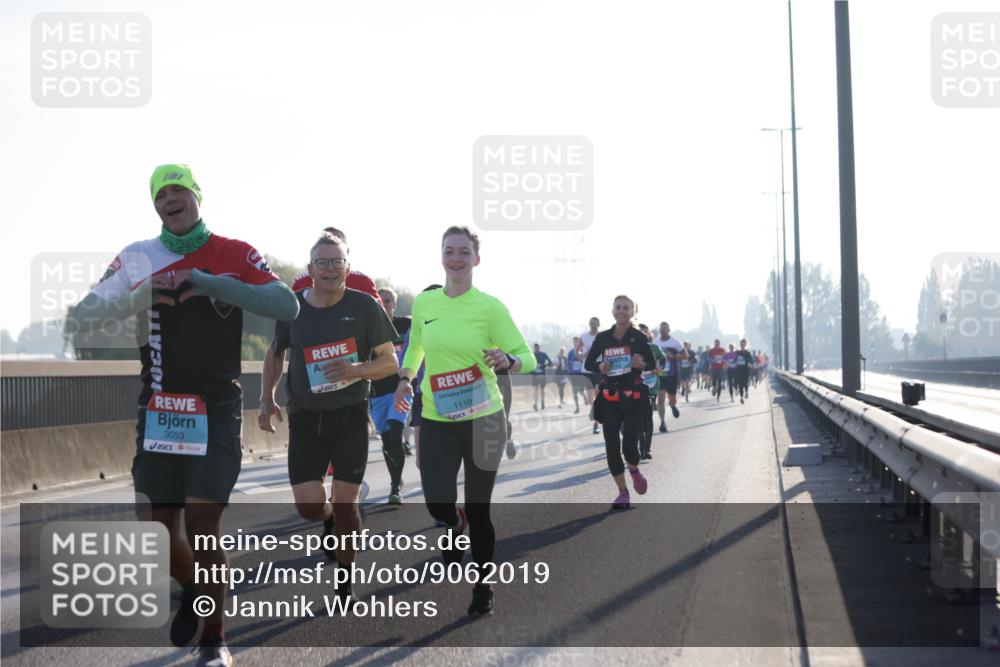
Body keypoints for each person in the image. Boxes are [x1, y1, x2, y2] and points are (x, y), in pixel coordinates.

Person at [69, 164, 299, 667]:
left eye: (180, 191)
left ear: (197, 197)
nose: (171, 200)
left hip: (216, 406)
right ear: (155, 205)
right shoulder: (134, 257)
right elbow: (82, 317)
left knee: (201, 520)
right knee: (154, 530)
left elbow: (286, 305)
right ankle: (198, 589)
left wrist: (212, 284)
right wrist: (142, 295)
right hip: (159, 408)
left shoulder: (233, 253)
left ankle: (214, 639)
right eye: (161, 194)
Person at [392, 226, 536, 617]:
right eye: (449, 250)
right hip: (438, 417)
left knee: (481, 506)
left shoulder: (490, 307)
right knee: (437, 501)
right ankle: (454, 524)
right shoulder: (426, 304)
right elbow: (417, 345)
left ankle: (483, 583)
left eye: (464, 251)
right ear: (441, 256)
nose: (456, 257)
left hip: (484, 418)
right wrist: (406, 378)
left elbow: (527, 355)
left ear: (476, 259)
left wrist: (510, 360)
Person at [259, 234, 398, 605]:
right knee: (308, 506)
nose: (330, 269)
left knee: (346, 506)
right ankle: (327, 522)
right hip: (305, 418)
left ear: (348, 268)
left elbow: (390, 362)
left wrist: (355, 369)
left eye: (337, 262)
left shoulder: (366, 306)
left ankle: (345, 578)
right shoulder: (293, 310)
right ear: (311, 269)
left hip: (350, 416)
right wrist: (266, 399)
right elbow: (275, 354)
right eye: (323, 262)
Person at [585, 296, 655, 509]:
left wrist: (641, 362)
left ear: (633, 312)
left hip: (633, 397)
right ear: (613, 311)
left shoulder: (638, 337)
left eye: (626, 308)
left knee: (630, 445)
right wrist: (600, 366)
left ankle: (634, 470)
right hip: (610, 398)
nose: (622, 311)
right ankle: (622, 492)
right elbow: (589, 363)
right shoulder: (604, 337)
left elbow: (652, 362)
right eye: (618, 307)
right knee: (612, 447)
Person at [371, 286, 412, 503]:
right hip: (376, 393)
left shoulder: (406, 325)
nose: (383, 303)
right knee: (387, 441)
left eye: (387, 301)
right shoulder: (368, 327)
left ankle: (395, 487)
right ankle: (396, 480)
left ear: (394, 305)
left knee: (396, 433)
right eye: (379, 300)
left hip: (401, 388)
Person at [637, 324, 666, 460]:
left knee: (647, 415)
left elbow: (663, 358)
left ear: (649, 334)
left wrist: (658, 369)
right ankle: (639, 444)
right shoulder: (632, 348)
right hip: (635, 384)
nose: (642, 334)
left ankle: (646, 449)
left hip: (651, 384)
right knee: (638, 418)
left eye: (645, 332)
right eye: (639, 331)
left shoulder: (654, 348)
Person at [653, 322, 684, 432]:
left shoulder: (675, 342)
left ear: (669, 330)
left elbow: (685, 355)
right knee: (660, 397)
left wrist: (674, 356)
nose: (663, 330)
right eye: (661, 328)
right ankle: (662, 423)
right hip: (660, 375)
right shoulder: (655, 342)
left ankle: (672, 405)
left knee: (672, 398)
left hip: (672, 375)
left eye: (665, 328)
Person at [580, 317, 602, 434]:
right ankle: (593, 408)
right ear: (589, 324)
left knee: (597, 394)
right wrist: (582, 355)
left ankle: (596, 424)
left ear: (599, 324)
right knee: (590, 398)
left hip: (599, 369)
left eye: (596, 323)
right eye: (592, 322)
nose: (594, 324)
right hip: (587, 370)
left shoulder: (602, 336)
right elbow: (576, 351)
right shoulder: (583, 337)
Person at [566, 337, 590, 413]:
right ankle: (577, 407)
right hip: (573, 374)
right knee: (574, 391)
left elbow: (586, 361)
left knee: (579, 390)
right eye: (574, 342)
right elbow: (568, 364)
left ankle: (584, 396)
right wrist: (569, 373)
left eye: (577, 342)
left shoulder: (583, 351)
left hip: (581, 374)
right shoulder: (570, 352)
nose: (575, 344)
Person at [531, 343, 553, 410]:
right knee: (535, 390)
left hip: (542, 374)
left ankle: (542, 402)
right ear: (534, 348)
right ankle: (535, 404)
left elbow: (550, 362)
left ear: (539, 347)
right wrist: (534, 367)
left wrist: (543, 366)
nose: (536, 349)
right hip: (535, 374)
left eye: (537, 347)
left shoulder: (543, 354)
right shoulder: (532, 355)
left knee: (542, 389)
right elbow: (529, 364)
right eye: (535, 347)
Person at [734, 339, 754, 403]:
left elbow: (751, 361)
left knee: (745, 383)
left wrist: (749, 363)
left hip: (746, 370)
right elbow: (734, 360)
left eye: (743, 343)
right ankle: (741, 397)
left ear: (745, 344)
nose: (742, 344)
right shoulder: (737, 353)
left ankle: (746, 391)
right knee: (740, 384)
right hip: (739, 370)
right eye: (741, 343)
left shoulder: (747, 353)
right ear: (740, 344)